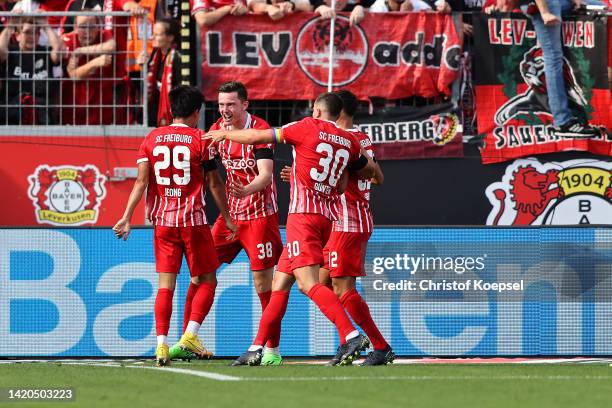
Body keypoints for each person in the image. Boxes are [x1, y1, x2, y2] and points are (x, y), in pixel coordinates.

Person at [205, 92, 376, 367]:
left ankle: (350, 335)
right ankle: (258, 347)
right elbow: (347, 183)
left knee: (309, 284)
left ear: (317, 111)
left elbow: (256, 137)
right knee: (280, 283)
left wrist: (225, 136)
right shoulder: (349, 141)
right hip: (328, 219)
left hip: (303, 217)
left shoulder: (307, 126)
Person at [113, 85, 237, 367]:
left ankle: (160, 345)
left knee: (165, 286)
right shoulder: (200, 140)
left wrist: (126, 216)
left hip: (163, 224)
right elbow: (214, 183)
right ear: (196, 112)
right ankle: (190, 335)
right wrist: (228, 217)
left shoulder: (151, 138)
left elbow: (141, 182)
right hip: (193, 223)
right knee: (207, 280)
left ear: (170, 109)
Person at [169, 81, 283, 362]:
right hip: (230, 218)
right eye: (221, 105)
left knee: (263, 284)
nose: (225, 110)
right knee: (199, 274)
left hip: (260, 216)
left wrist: (247, 190)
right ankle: (187, 339)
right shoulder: (217, 130)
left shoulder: (260, 130)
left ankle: (271, 350)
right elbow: (200, 165)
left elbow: (266, 175)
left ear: (245, 105)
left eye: (231, 104)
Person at [517, 0, 600, 137]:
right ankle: (562, 121)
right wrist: (544, 12)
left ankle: (563, 119)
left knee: (598, 4)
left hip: (547, 4)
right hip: (544, 4)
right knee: (553, 59)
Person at [0, 16, 62, 125]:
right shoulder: (10, 52)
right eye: (27, 32)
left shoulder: (45, 52)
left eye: (36, 33)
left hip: (42, 114)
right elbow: (0, 49)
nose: (32, 36)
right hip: (12, 112)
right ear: (18, 35)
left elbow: (58, 50)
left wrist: (45, 25)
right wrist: (11, 24)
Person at [139, 16, 182, 127]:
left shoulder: (177, 58)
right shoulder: (155, 54)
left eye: (157, 34)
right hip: (155, 105)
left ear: (170, 37)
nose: (153, 37)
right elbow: (148, 83)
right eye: (153, 33)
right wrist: (142, 67)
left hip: (172, 109)